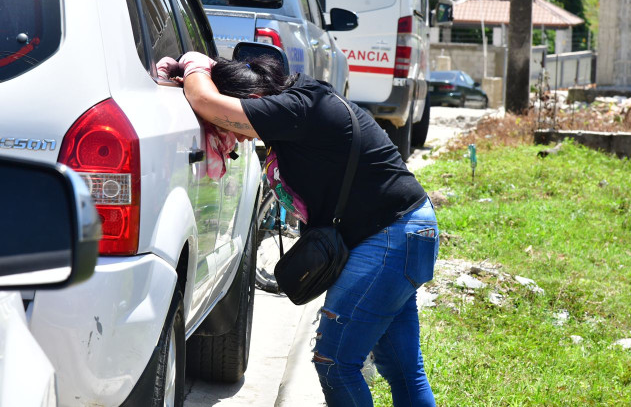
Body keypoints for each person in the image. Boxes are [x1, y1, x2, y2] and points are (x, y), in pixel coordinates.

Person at [175, 51, 439, 407]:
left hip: (390, 238)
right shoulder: (300, 104)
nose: (232, 137)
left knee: (335, 364)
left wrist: (193, 62)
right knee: (404, 369)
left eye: (229, 126)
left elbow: (204, 101)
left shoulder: (296, 109)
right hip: (405, 232)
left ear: (253, 102)